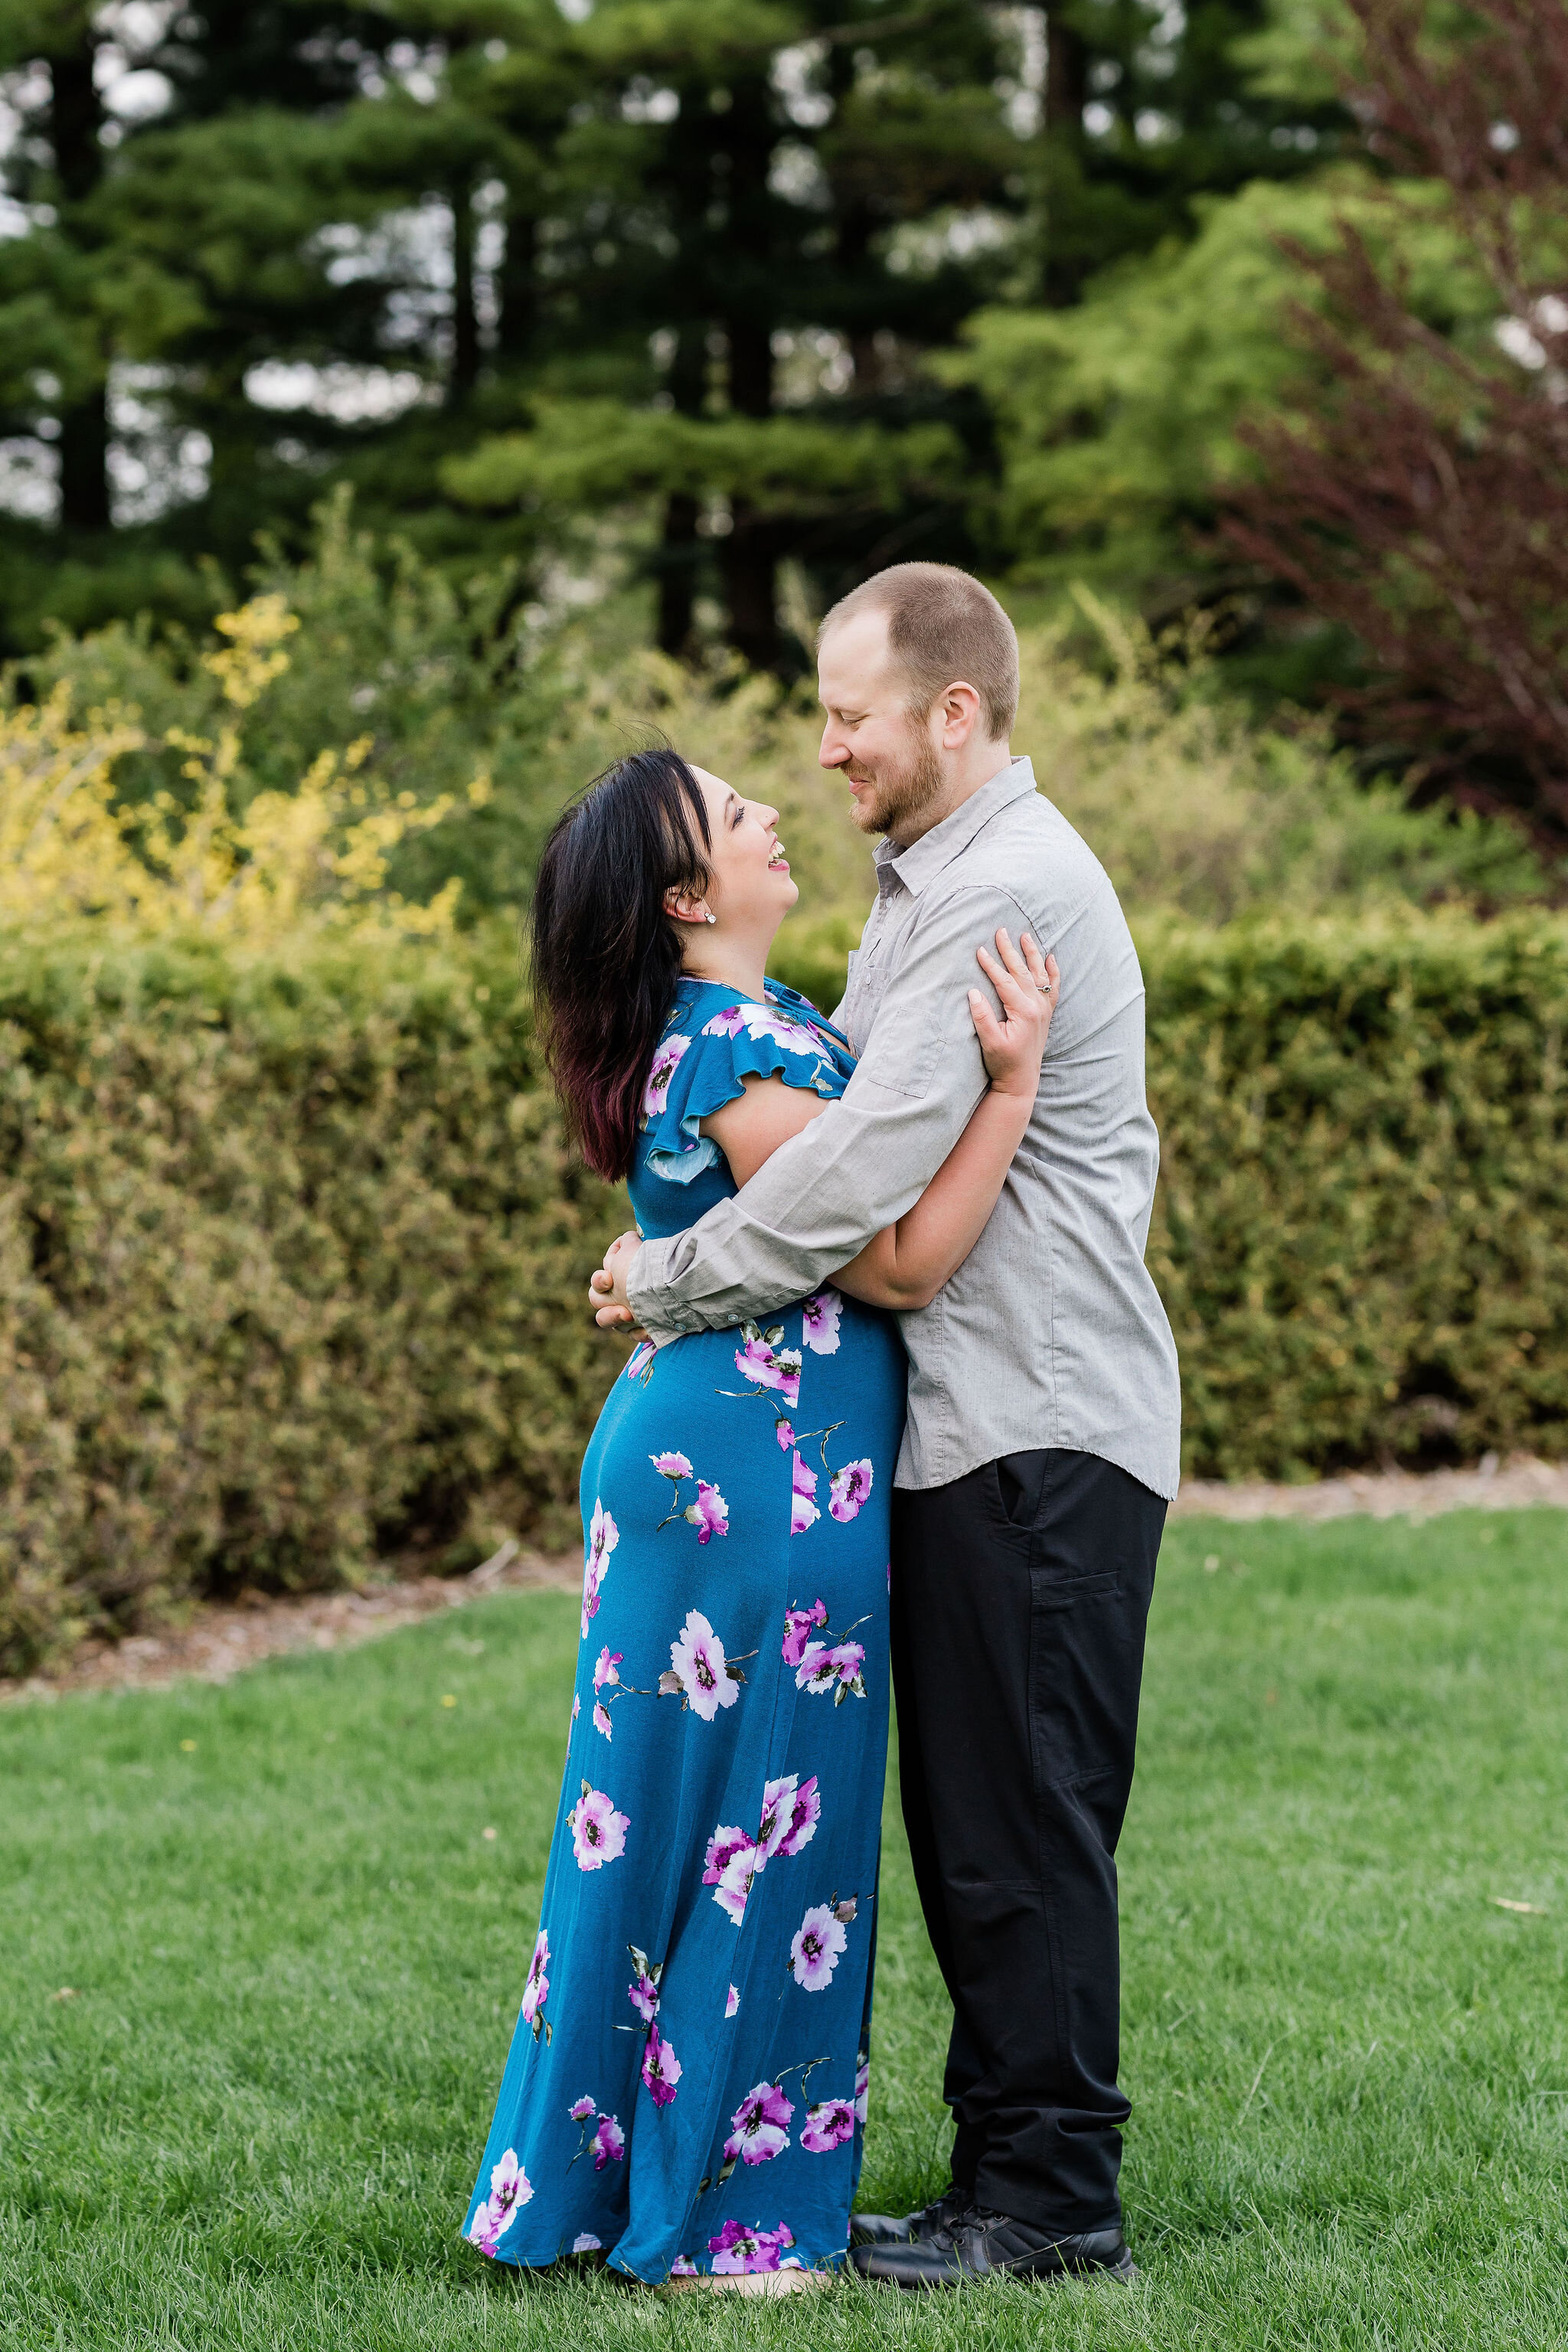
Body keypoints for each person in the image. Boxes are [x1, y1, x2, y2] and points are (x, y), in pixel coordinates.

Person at [590, 563, 1181, 2290]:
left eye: (847, 714)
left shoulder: (1009, 886)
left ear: (952, 712)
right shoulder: (929, 890)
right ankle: (1007, 2172)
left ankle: (1053, 2199)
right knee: (982, 1821)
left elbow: (860, 1174)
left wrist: (673, 1275)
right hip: (978, 1428)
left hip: (1038, 1418)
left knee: (1024, 1822)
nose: (826, 747)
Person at [462, 745, 1054, 2290]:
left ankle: (607, 2185)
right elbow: (900, 1264)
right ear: (683, 896)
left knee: (673, 1823)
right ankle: (727, 2221)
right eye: (734, 817)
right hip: (756, 1489)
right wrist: (1013, 1089)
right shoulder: (733, 1046)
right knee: (756, 1821)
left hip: (734, 1476)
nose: (771, 812)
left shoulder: (747, 1028)